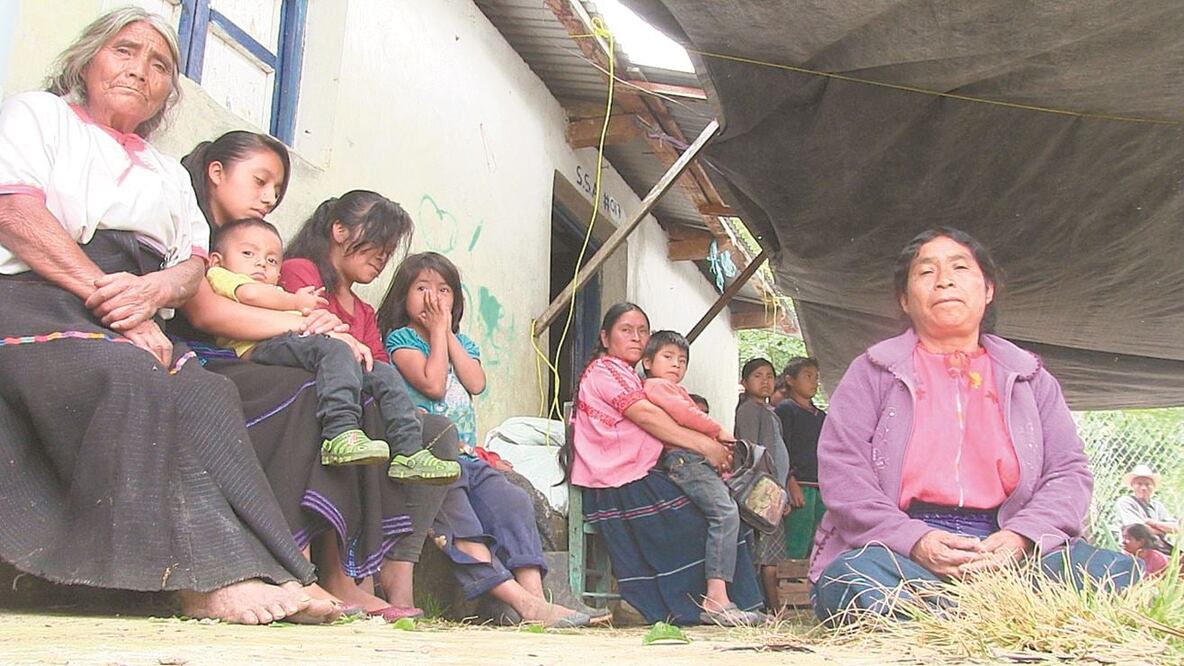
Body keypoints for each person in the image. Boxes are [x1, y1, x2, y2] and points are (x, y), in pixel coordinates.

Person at [0, 8, 338, 625]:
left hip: (134, 300)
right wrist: (115, 301)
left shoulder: (163, 170)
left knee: (206, 394)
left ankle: (274, 567)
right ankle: (192, 582)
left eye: (160, 65)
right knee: (127, 374)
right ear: (87, 60)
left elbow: (192, 264)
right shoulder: (36, 115)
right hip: (35, 294)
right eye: (124, 52)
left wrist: (152, 295)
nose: (140, 71)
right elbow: (16, 215)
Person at [179, 132, 456, 621]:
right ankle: (297, 566)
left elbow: (371, 358)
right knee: (316, 393)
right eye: (261, 182)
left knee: (375, 408)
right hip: (213, 356)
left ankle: (349, 577)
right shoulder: (199, 235)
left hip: (263, 353)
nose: (269, 198)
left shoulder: (261, 251)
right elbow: (209, 314)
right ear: (216, 173)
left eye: (276, 190)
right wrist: (305, 322)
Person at [810, 227, 1140, 623]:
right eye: (926, 272)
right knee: (851, 578)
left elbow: (1069, 472)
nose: (944, 279)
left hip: (1009, 546)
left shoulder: (1029, 377)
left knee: (1117, 573)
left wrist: (1022, 537)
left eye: (960, 267)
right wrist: (915, 540)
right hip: (902, 548)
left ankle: (954, 617)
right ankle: (994, 617)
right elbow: (843, 471)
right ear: (904, 298)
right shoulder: (872, 372)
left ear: (987, 290)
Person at [378, 251, 592, 627]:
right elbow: (433, 384)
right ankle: (524, 606)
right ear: (403, 297)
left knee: (512, 501)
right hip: (430, 456)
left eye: (444, 290)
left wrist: (446, 332)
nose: (433, 298)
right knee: (460, 519)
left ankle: (536, 600)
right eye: (422, 288)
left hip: (468, 456)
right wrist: (438, 334)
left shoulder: (464, 343)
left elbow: (475, 382)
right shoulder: (403, 339)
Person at [564, 302, 764, 625]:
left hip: (638, 475)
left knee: (723, 512)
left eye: (642, 331)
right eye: (626, 330)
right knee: (710, 516)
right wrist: (705, 445)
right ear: (604, 337)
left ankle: (721, 600)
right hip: (620, 483)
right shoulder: (604, 371)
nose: (636, 337)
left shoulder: (631, 377)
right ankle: (707, 601)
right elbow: (649, 417)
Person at [639, 330, 761, 626]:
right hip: (685, 460)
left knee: (729, 514)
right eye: (667, 357)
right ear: (647, 362)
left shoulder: (672, 388)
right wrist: (718, 431)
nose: (676, 365)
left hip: (693, 459)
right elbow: (685, 415)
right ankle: (716, 598)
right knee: (725, 513)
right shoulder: (656, 386)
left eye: (682, 360)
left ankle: (724, 595)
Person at [735, 357, 803, 612]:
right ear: (744, 382)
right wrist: (774, 493)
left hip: (774, 489)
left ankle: (768, 607)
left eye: (769, 376)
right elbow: (755, 454)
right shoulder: (749, 411)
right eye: (757, 376)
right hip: (761, 492)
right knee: (764, 554)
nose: (765, 381)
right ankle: (768, 608)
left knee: (769, 553)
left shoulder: (768, 411)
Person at [775, 356, 827, 560]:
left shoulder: (821, 416)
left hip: (821, 485)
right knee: (797, 542)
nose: (814, 381)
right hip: (800, 485)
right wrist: (790, 480)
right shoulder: (786, 410)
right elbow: (782, 449)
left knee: (821, 542)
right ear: (790, 380)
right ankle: (790, 589)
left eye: (816, 377)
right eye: (807, 376)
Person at [1113, 464, 1177, 555]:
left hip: (1161, 547)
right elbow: (1138, 530)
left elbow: (1175, 528)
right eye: (1139, 484)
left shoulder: (1158, 506)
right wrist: (1163, 529)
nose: (1143, 488)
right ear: (1132, 486)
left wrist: (1153, 523)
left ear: (1153, 487)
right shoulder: (1125, 502)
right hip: (1138, 550)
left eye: (1147, 484)